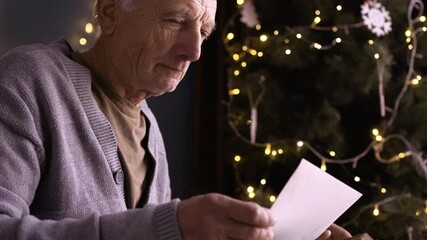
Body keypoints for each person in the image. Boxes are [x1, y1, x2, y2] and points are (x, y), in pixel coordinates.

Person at [0, 0, 353, 239]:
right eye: (175, 21)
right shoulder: (30, 78)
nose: (194, 51)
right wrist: (171, 225)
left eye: (203, 32)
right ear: (109, 13)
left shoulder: (150, 130)